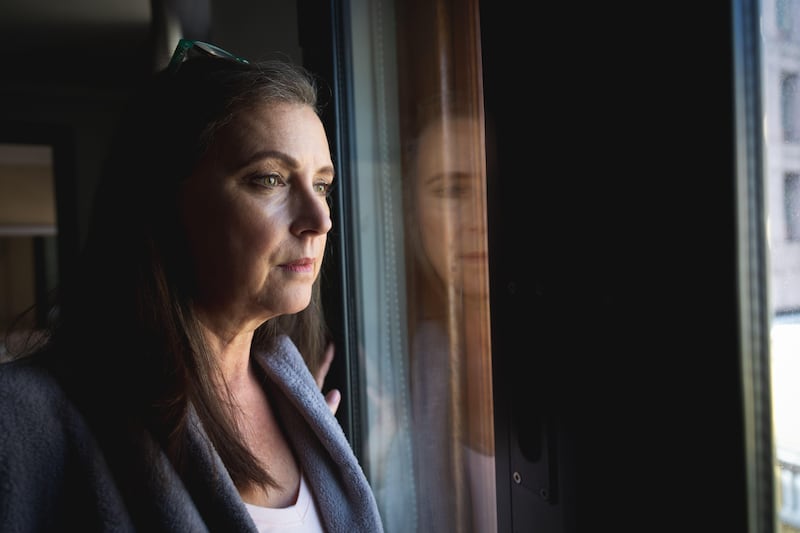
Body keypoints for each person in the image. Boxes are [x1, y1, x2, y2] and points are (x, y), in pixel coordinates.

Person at [0, 39, 384, 533]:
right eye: (270, 179)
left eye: (322, 185)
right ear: (165, 204)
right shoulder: (24, 417)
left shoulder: (299, 399)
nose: (319, 220)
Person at [403, 101, 497, 533]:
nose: (484, 216)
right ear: (412, 214)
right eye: (453, 190)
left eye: (497, 184)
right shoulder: (401, 363)